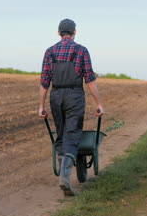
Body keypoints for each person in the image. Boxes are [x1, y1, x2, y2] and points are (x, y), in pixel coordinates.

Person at [38, 18, 103, 196]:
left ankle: (63, 173)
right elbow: (89, 79)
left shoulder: (49, 52)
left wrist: (41, 106)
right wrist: (98, 103)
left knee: (60, 133)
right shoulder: (81, 51)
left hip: (56, 95)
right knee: (72, 133)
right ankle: (65, 177)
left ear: (59, 33)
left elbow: (44, 81)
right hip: (74, 95)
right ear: (74, 32)